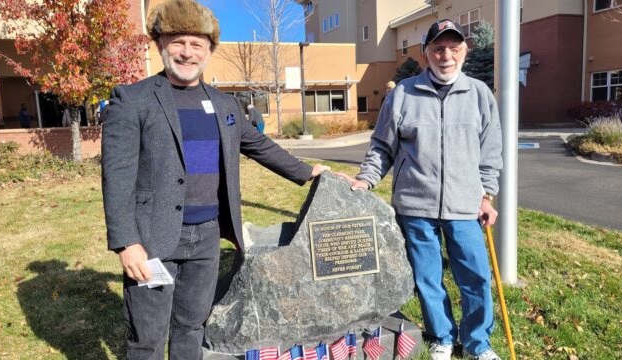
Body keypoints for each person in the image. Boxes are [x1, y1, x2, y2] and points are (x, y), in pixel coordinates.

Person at [99, 1, 330, 359]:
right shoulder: (133, 100)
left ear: (209, 50)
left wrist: (309, 171)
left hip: (207, 236)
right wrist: (127, 242)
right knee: (147, 336)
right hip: (153, 238)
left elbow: (259, 145)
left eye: (197, 43)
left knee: (192, 326)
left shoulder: (224, 105)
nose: (187, 52)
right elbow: (116, 177)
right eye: (178, 41)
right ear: (160, 43)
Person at [338, 19, 504, 360]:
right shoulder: (402, 94)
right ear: (425, 53)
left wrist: (486, 194)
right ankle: (442, 335)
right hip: (415, 207)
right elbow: (382, 146)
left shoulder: (479, 94)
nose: (446, 56)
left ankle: (477, 343)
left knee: (475, 278)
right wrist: (366, 179)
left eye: (453, 49)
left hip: (465, 206)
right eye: (438, 49)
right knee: (428, 279)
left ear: (464, 52)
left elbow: (490, 151)